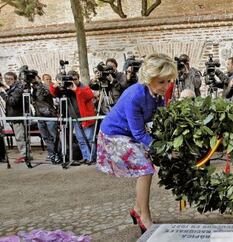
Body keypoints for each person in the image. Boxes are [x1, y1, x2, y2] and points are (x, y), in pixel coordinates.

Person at [96, 53, 178, 233]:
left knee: (147, 166)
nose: (166, 86)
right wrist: (165, 150)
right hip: (113, 135)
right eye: (161, 81)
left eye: (168, 81)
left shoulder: (158, 93)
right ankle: (144, 217)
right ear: (149, 79)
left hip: (130, 134)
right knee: (146, 168)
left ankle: (137, 209)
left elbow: (159, 120)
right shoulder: (135, 95)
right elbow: (139, 133)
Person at [50, 70, 96, 164]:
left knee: (89, 139)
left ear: (78, 78)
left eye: (74, 79)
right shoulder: (68, 89)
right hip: (75, 118)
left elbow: (89, 95)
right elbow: (54, 93)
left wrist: (76, 89)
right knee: (81, 140)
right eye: (71, 79)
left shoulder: (84, 87)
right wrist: (55, 85)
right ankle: (86, 157)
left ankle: (92, 158)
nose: (73, 81)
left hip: (86, 118)